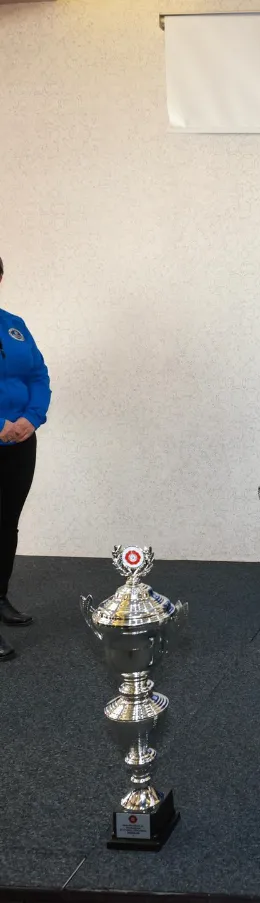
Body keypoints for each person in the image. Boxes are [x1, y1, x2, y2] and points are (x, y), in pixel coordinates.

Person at [0, 255, 52, 662]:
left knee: (7, 523)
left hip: (20, 441)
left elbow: (38, 375)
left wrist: (31, 419)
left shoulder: (14, 325)